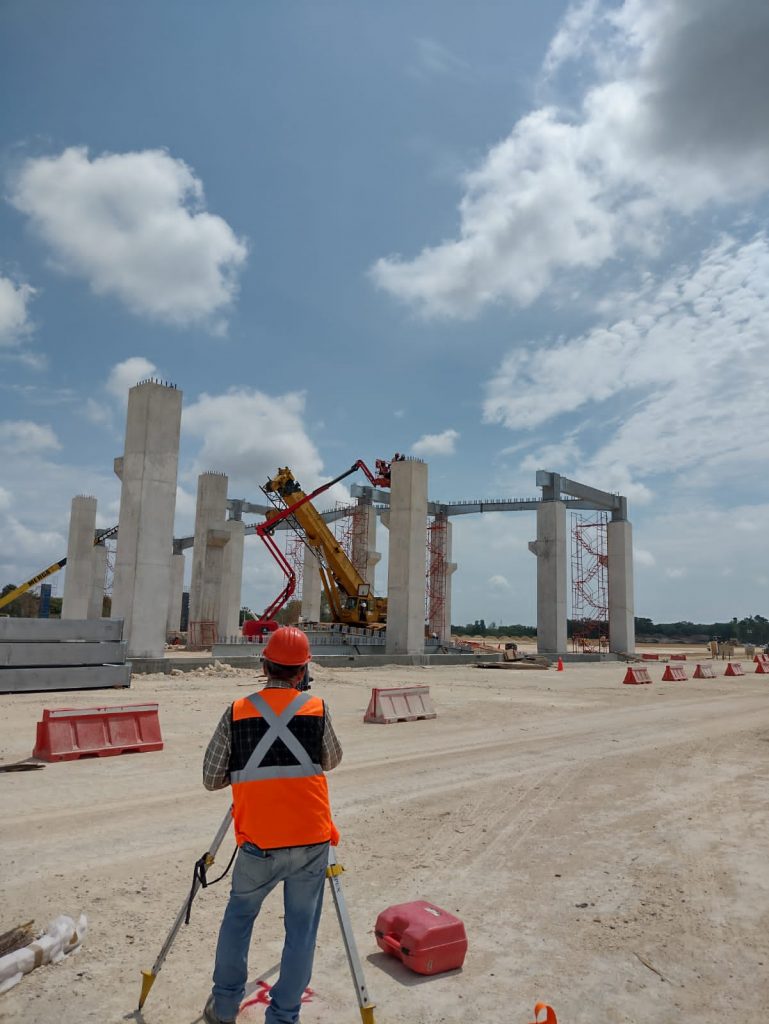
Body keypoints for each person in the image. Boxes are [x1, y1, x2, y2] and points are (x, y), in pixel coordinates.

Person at [201, 626, 343, 1024]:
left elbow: (212, 778)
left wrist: (250, 764)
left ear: (264, 666)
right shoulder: (317, 708)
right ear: (302, 672)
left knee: (239, 917)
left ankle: (225, 1006)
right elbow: (331, 759)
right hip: (311, 840)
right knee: (301, 931)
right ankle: (283, 1017)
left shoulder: (237, 710)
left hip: (259, 842)